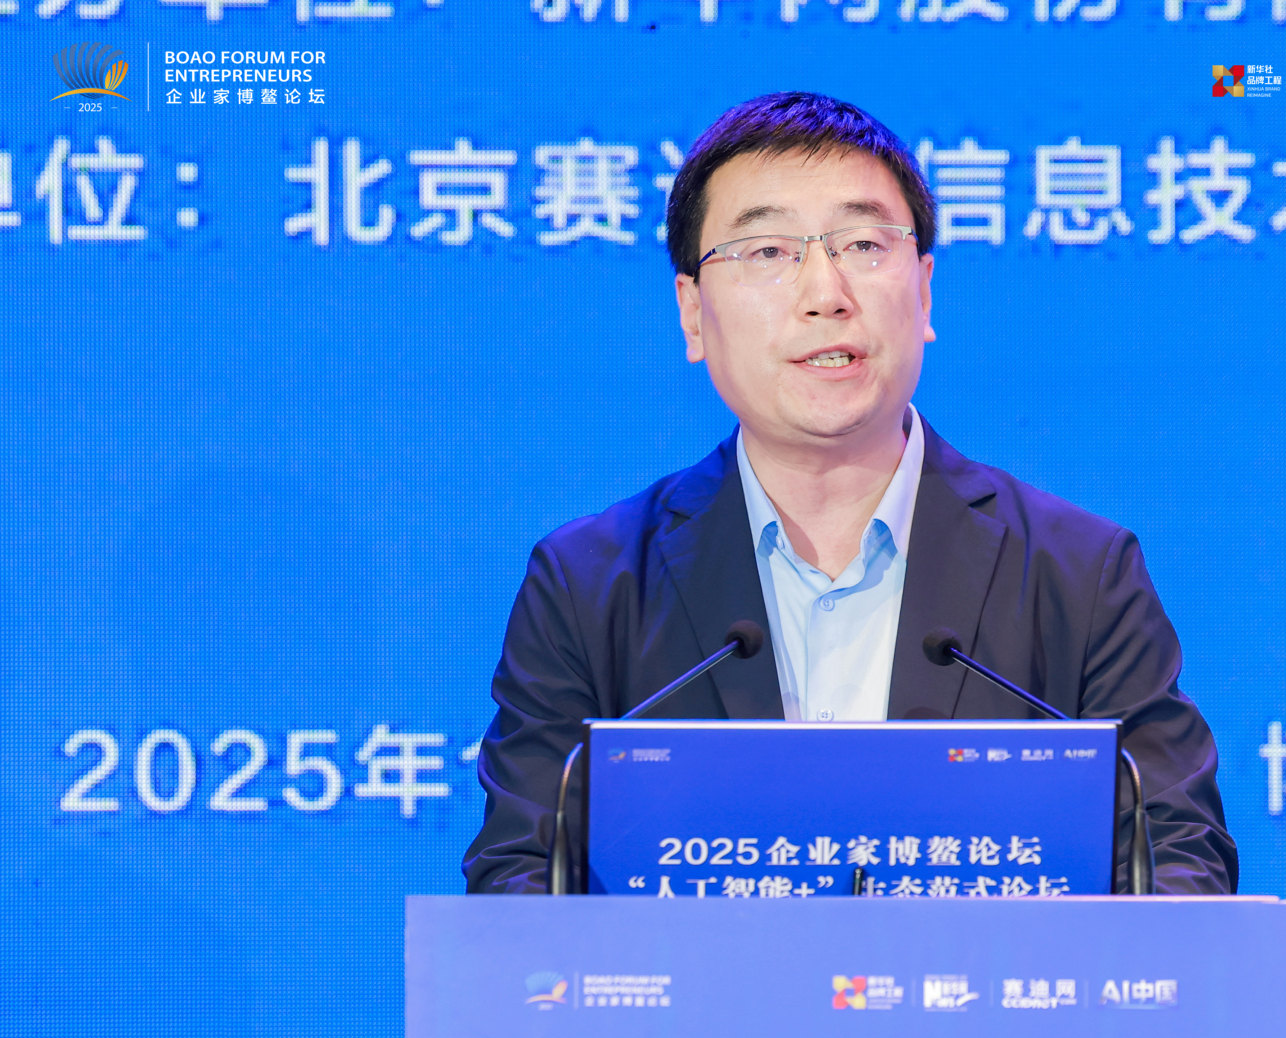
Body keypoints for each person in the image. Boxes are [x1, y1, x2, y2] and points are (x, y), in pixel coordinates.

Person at [463, 92, 1237, 895]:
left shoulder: (1077, 575)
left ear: (924, 292)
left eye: (864, 244)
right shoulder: (591, 585)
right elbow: (520, 878)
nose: (824, 292)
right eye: (766, 250)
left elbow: (1178, 860)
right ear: (693, 313)